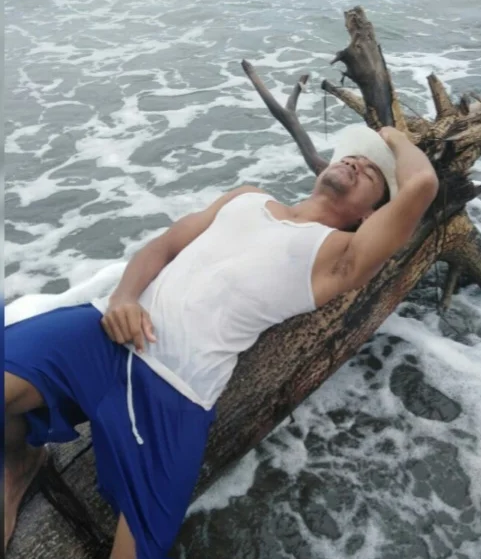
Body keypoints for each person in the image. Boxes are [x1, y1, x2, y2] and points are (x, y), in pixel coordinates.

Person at [4, 125, 438, 558]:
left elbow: (420, 185)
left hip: (176, 391)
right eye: (351, 157)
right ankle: (20, 459)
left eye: (371, 173)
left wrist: (394, 137)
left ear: (370, 216)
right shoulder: (247, 198)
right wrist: (124, 297)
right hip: (106, 333)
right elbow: (165, 245)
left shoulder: (341, 255)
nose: (356, 163)